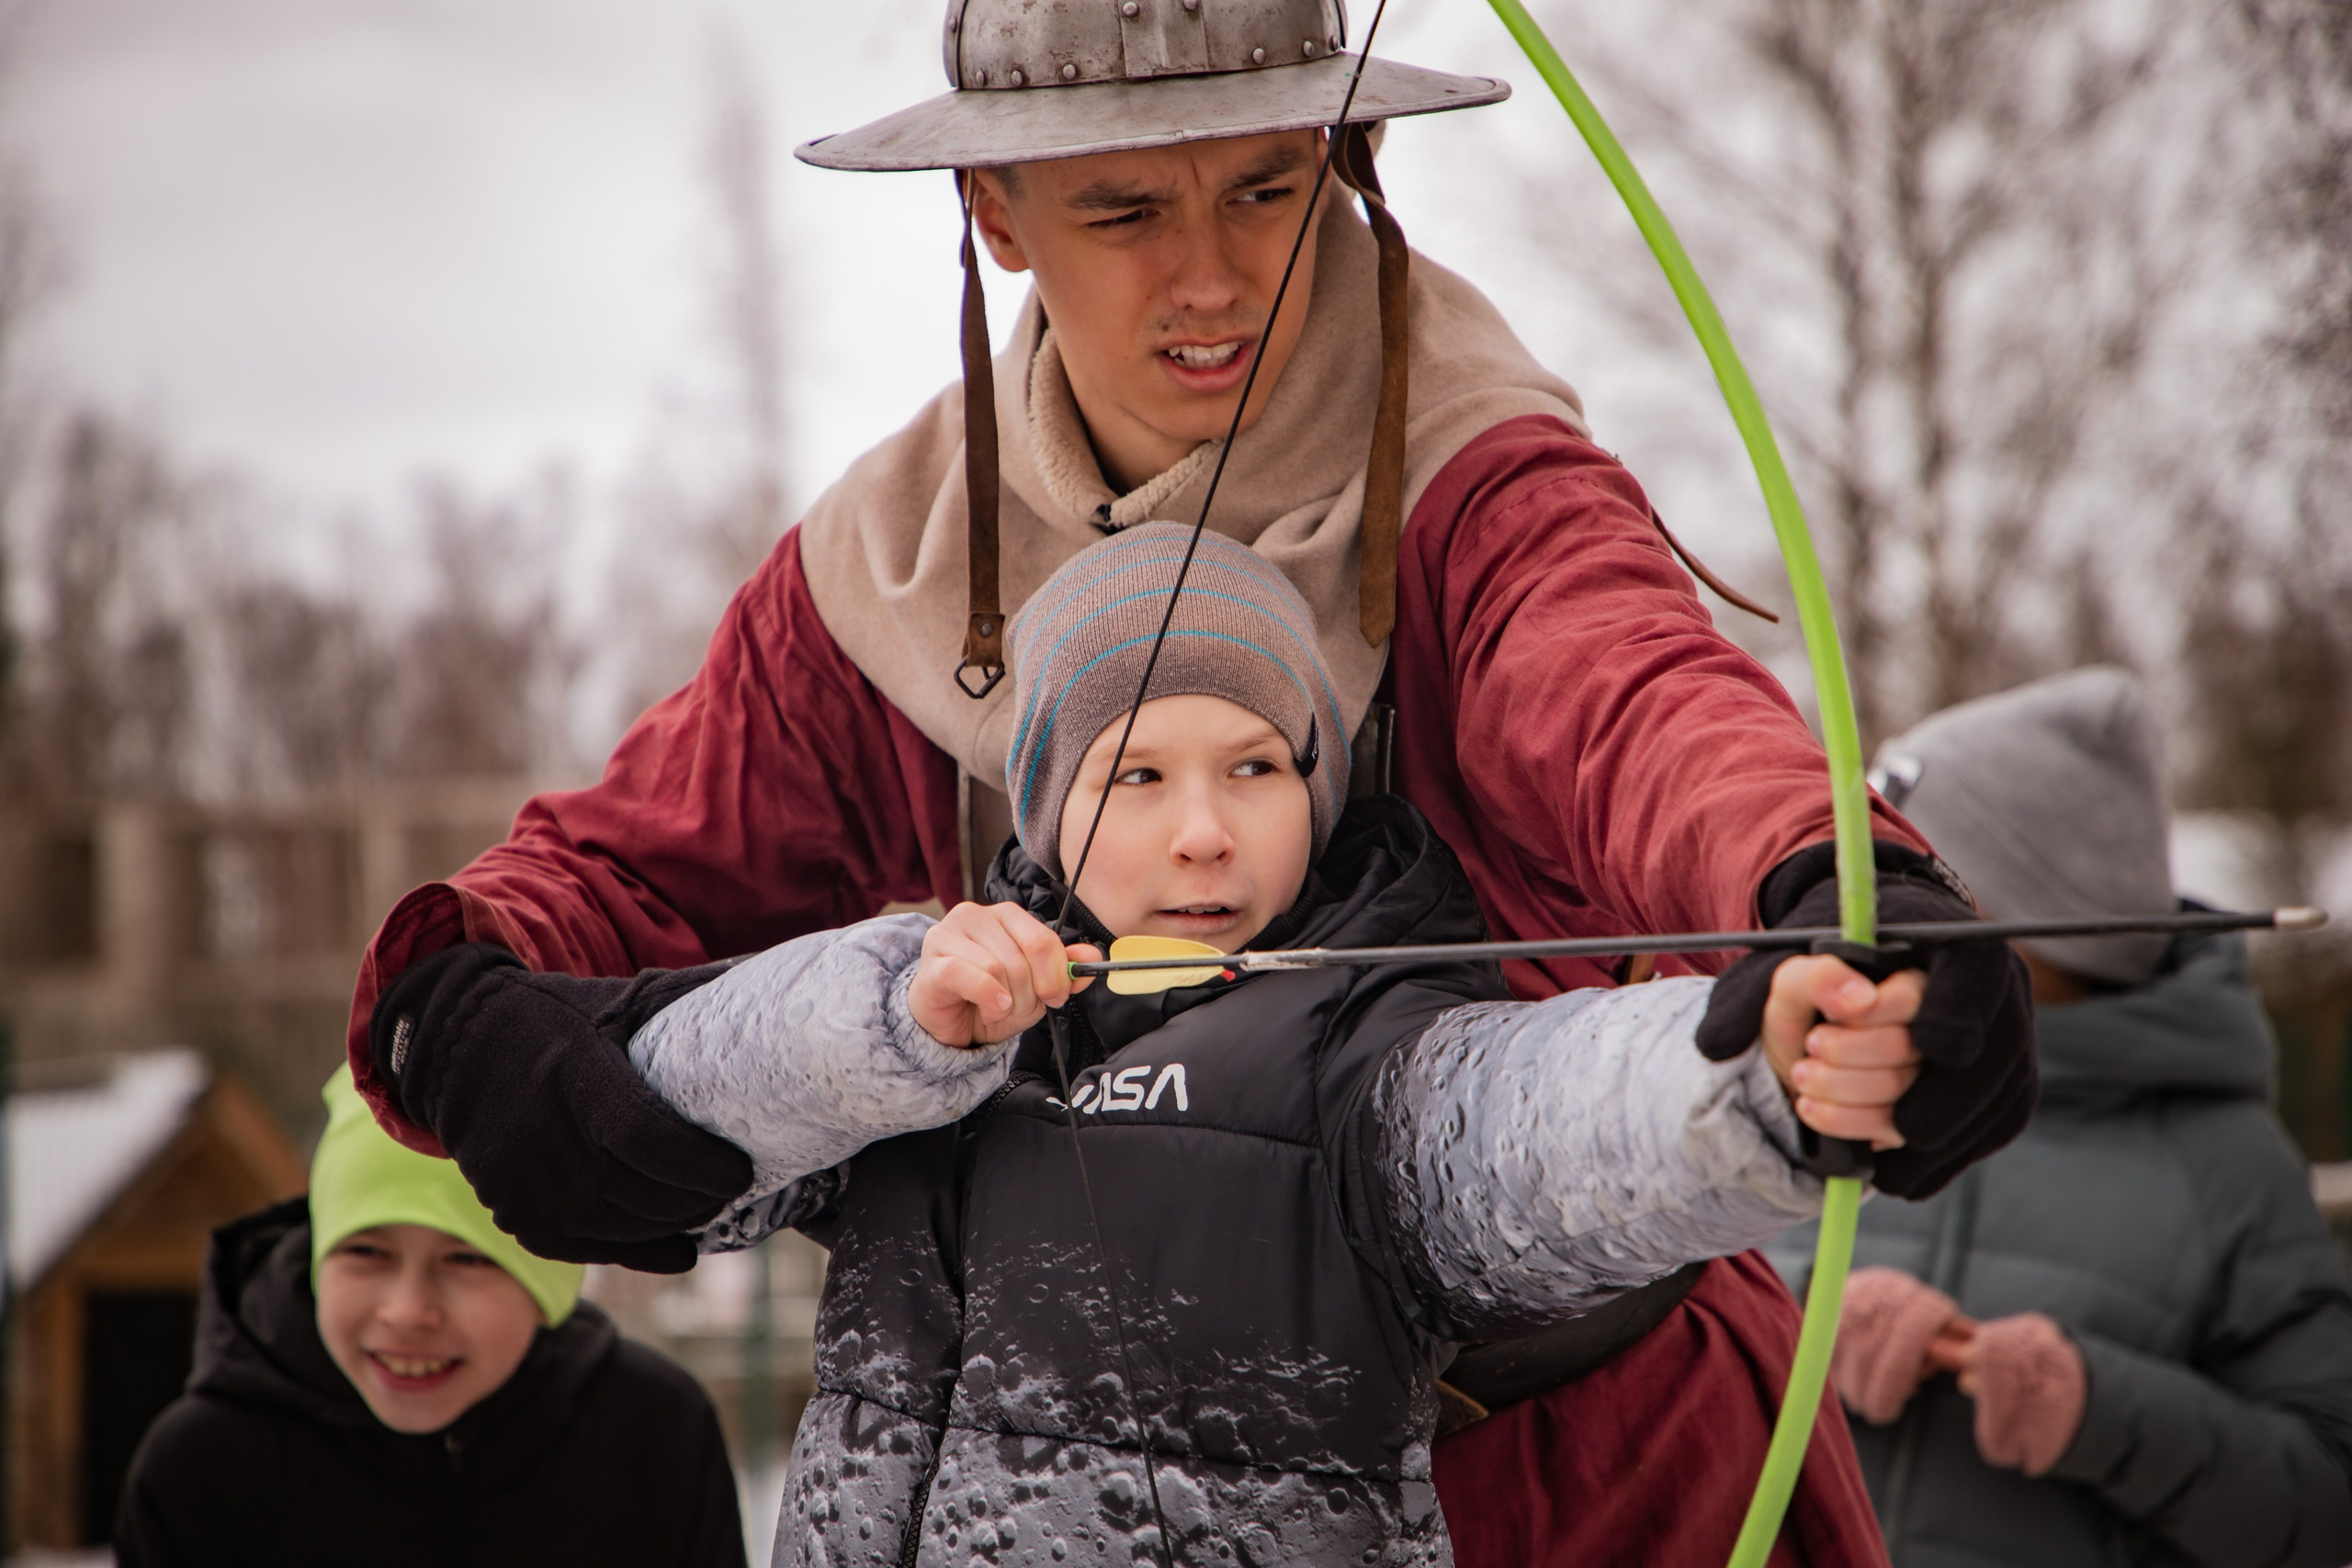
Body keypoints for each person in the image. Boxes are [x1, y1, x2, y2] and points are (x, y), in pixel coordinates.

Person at [346, 3, 2036, 1562]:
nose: (1216, 276)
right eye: (1126, 213)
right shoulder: (896, 554)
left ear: (1345, 165)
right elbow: (644, 867)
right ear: (998, 212)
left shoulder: (1482, 481)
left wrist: (1830, 881)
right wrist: (468, 996)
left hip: (1578, 1469)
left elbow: (1636, 707)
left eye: (1265, 187)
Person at [597, 526, 1925, 1563]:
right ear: (1051, 806)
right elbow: (668, 1126)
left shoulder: (1359, 1047)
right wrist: (893, 1016)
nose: (1203, 833)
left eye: (1255, 767)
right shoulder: (940, 1021)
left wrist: (1755, 1074)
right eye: (1136, 774)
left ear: (1319, 787)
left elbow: (1534, 1119)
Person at [1768, 667, 2352, 1568]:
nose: (1871, 908)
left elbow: (2325, 1501)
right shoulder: (1819, 1068)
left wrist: (2096, 1409)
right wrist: (1793, 1328)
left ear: (2025, 921)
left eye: (1913, 874)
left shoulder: (2227, 1166)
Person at [115, 1066, 748, 1568]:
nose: (408, 1310)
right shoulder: (204, 1469)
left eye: (466, 1259)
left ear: (546, 1276)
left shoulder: (653, 1432)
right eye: (366, 1251)